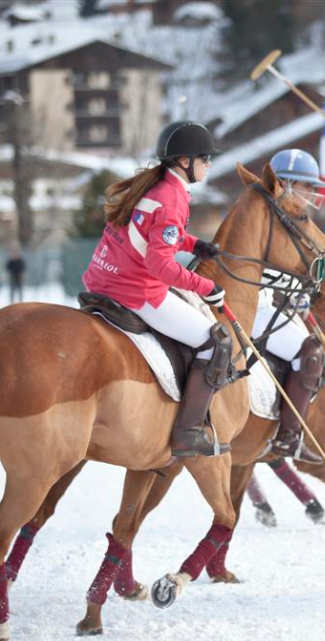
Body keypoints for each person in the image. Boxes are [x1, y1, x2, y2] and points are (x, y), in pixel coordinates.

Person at [81, 120, 229, 457]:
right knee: (216, 340)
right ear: (184, 161)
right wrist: (206, 286)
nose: (209, 165)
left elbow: (152, 231)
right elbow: (160, 266)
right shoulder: (172, 198)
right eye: (205, 158)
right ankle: (189, 430)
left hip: (101, 278)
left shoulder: (155, 186)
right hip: (134, 290)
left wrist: (193, 245)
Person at [249, 148, 325, 464]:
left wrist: (295, 289)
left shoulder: (279, 213)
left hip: (263, 302)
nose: (312, 193)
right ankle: (288, 437)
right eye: (307, 185)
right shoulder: (271, 215)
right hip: (252, 307)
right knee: (310, 352)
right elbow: (260, 264)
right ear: (286, 183)